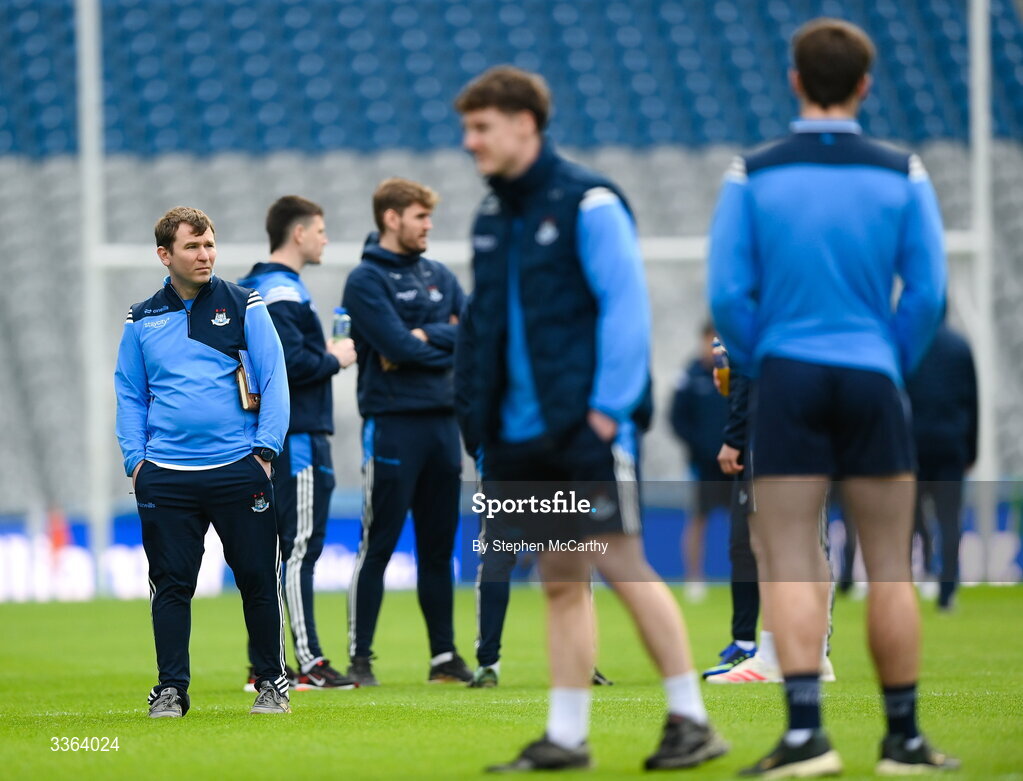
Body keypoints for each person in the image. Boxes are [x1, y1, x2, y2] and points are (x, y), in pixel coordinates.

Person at [455, 65, 727, 772]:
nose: (469, 142)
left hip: (583, 432)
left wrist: (605, 417)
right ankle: (567, 737)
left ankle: (691, 720)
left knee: (622, 562)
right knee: (559, 579)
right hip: (518, 438)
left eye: (480, 127)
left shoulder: (590, 202)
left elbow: (626, 310)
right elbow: (486, 328)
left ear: (525, 124)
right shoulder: (492, 215)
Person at [708, 18, 956, 775]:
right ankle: (903, 739)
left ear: (793, 81)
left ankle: (803, 735)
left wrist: (764, 358)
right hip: (870, 371)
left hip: (786, 373)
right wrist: (886, 357)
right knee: (888, 563)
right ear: (863, 85)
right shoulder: (902, 172)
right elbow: (928, 293)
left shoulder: (750, 174)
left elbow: (726, 294)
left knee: (786, 554)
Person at [115, 206, 291, 717]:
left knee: (258, 578)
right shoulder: (141, 317)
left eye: (209, 244)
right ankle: (171, 688)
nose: (205, 254)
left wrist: (265, 450)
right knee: (171, 584)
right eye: (192, 246)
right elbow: (129, 394)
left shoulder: (245, 303)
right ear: (164, 255)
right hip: (166, 476)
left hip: (239, 467)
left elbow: (274, 377)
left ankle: (272, 682)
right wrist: (137, 460)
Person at [341, 178, 471, 686]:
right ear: (392, 218)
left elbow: (472, 334)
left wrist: (423, 337)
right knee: (379, 544)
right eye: (420, 217)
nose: (428, 227)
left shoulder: (440, 274)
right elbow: (396, 344)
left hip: (443, 425)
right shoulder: (365, 280)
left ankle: (444, 658)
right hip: (392, 427)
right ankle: (360, 659)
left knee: (439, 549)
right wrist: (434, 339)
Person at [237, 196, 358, 690]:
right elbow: (291, 364)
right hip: (300, 434)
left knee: (279, 550)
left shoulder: (263, 285)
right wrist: (336, 356)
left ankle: (264, 664)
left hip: (283, 433)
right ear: (299, 233)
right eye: (321, 230)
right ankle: (305, 663)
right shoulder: (281, 289)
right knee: (299, 550)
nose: (325, 239)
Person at [906, 316, 978, 611]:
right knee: (950, 520)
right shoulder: (960, 347)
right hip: (951, 446)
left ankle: (908, 583)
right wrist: (971, 450)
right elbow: (972, 402)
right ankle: (947, 591)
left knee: (908, 520)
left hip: (913, 446)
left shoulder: (909, 344)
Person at [670, 321, 732, 602]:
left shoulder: (736, 374)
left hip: (735, 462)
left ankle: (743, 575)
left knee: (744, 522)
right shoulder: (690, 375)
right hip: (702, 464)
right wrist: (700, 447)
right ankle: (694, 578)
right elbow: (676, 419)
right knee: (697, 519)